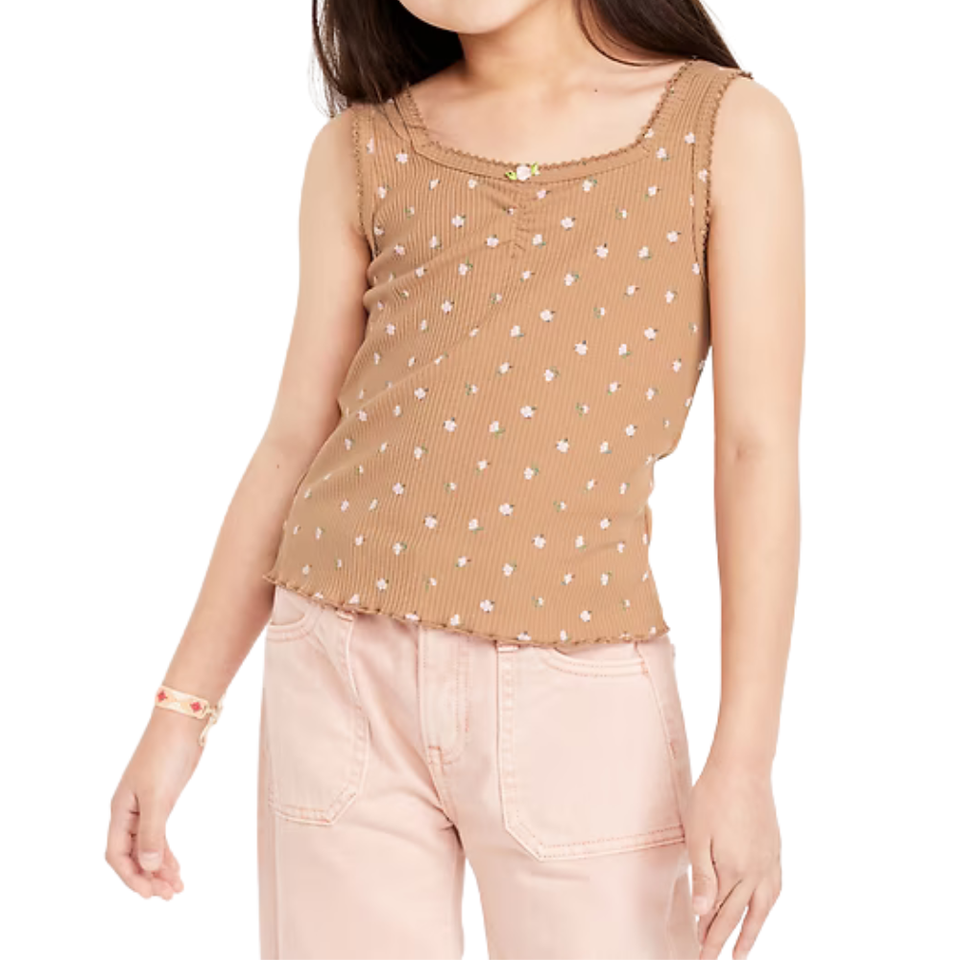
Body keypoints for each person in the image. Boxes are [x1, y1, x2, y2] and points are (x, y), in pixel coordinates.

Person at [105, 1, 803, 958]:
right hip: (340, 669)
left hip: (580, 682)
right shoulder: (362, 151)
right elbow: (295, 442)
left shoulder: (726, 130)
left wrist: (746, 759)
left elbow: (755, 453)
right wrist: (179, 714)